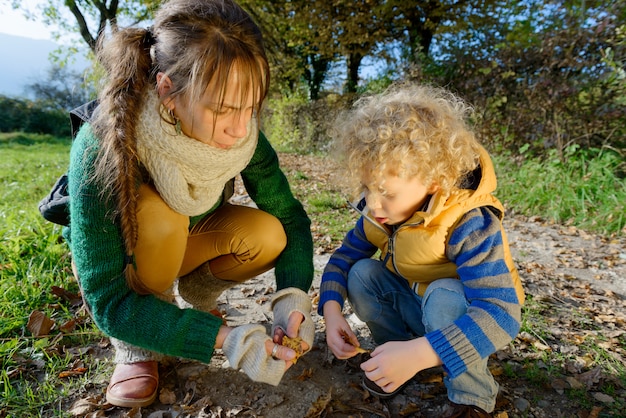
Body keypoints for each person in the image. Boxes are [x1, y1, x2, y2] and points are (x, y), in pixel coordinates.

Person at [65, 0, 314, 408]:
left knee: (269, 233)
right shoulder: (102, 145)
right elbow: (108, 300)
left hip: (190, 239)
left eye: (250, 107)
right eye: (221, 109)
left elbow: (289, 215)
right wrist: (227, 340)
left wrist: (293, 302)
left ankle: (193, 303)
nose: (239, 128)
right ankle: (136, 348)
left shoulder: (245, 136)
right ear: (168, 91)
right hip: (130, 261)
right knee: (159, 220)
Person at [318, 84, 524, 417]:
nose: (372, 203)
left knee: (445, 294)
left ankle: (471, 395)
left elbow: (501, 313)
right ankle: (395, 355)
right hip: (415, 306)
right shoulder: (380, 214)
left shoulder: (468, 221)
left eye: (386, 192)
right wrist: (331, 312)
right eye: (367, 188)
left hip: (463, 318)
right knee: (362, 273)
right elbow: (342, 260)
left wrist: (423, 352)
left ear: (433, 180)